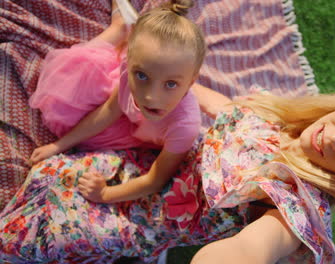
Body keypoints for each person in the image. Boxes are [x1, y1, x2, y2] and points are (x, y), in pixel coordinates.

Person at [0, 81, 335, 263]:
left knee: (21, 238)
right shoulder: (280, 118)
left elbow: (248, 252)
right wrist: (173, 74)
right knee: (53, 171)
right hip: (133, 168)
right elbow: (220, 106)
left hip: (125, 222)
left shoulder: (295, 206)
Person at [27, 0, 206, 203]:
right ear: (128, 64)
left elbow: (155, 180)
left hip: (139, 136)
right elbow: (110, 110)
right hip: (130, 116)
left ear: (191, 82)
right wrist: (58, 146)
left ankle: (126, 31)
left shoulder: (185, 126)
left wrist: (105, 194)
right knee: (69, 83)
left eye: (171, 84)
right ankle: (121, 28)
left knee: (80, 132)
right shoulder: (126, 72)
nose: (150, 97)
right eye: (141, 75)